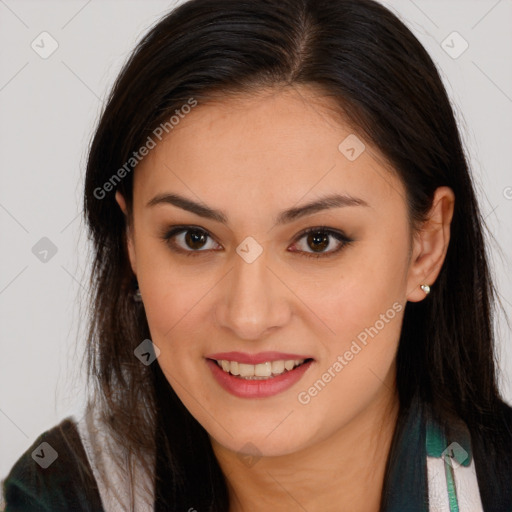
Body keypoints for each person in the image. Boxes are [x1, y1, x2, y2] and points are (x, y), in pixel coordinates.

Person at [2, 0, 511, 510]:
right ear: (131, 240)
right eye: (194, 238)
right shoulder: (56, 494)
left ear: (425, 246)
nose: (248, 317)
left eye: (318, 240)